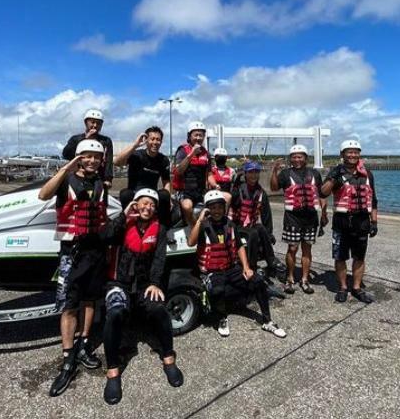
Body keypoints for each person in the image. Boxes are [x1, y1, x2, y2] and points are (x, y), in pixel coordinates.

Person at [39, 139, 110, 397]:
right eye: (87, 156)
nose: (91, 160)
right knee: (69, 306)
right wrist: (64, 170)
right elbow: (43, 195)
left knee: (90, 301)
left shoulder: (101, 184)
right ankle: (68, 358)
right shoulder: (67, 181)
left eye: (96, 157)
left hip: (95, 250)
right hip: (72, 252)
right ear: (79, 157)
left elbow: (102, 216)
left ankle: (83, 346)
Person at [102, 188, 183, 405]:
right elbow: (105, 236)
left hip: (145, 284)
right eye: (143, 203)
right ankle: (112, 371)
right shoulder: (122, 224)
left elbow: (159, 259)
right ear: (136, 205)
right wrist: (123, 214)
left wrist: (155, 283)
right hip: (118, 283)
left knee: (159, 309)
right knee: (115, 312)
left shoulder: (160, 228)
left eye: (151, 204)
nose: (147, 207)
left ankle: (168, 358)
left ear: (155, 209)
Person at [187, 190, 287, 339]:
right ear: (208, 209)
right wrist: (200, 220)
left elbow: (239, 246)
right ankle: (221, 318)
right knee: (217, 290)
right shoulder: (204, 226)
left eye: (219, 207)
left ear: (224, 208)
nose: (217, 211)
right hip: (213, 271)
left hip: (231, 268)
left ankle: (267, 321)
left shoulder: (230, 225)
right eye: (213, 208)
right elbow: (191, 242)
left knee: (258, 281)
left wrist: (246, 267)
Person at [320, 139, 379, 304]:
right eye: (349, 152)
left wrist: (374, 222)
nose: (353, 155)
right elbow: (323, 193)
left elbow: (373, 200)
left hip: (361, 221)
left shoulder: (368, 174)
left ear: (359, 154)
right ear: (342, 154)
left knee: (359, 257)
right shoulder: (336, 173)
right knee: (340, 257)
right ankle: (343, 287)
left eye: (355, 152)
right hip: (341, 221)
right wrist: (333, 177)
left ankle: (357, 288)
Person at [270, 144, 327, 295]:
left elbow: (321, 194)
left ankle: (305, 279)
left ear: (306, 158)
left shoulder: (314, 174)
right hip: (292, 217)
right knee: (293, 248)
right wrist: (275, 170)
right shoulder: (285, 174)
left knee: (307, 249)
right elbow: (274, 188)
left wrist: (324, 214)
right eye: (294, 157)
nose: (297, 159)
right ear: (290, 158)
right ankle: (290, 279)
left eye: (300, 156)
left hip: (311, 218)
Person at [230, 161, 282, 277]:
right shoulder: (238, 189)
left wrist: (270, 234)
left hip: (250, 225)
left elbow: (266, 215)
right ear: (245, 174)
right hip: (237, 226)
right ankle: (252, 266)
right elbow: (231, 203)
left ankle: (271, 260)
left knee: (262, 229)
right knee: (253, 233)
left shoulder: (261, 192)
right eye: (251, 172)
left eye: (256, 172)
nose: (254, 175)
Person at [114, 126, 172, 226]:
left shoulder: (164, 160)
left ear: (161, 142)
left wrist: (169, 199)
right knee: (124, 194)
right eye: (152, 139)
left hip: (152, 195)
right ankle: (127, 227)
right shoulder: (136, 155)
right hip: (134, 194)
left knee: (165, 195)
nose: (155, 142)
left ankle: (163, 229)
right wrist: (135, 145)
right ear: (146, 140)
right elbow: (116, 162)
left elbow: (166, 181)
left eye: (158, 140)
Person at [173, 121, 216, 227]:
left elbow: (209, 174)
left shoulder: (206, 154)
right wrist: (191, 154)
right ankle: (195, 230)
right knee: (187, 206)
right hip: (184, 191)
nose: (198, 138)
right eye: (195, 135)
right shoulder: (182, 151)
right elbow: (178, 171)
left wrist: (215, 185)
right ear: (189, 136)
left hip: (200, 192)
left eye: (200, 135)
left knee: (223, 198)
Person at [62, 109, 114, 187]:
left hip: (98, 177)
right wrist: (85, 139)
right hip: (77, 176)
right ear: (86, 123)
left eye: (99, 123)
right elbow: (66, 155)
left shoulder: (106, 141)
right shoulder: (75, 139)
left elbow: (109, 161)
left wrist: (108, 179)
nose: (95, 125)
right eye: (92, 122)